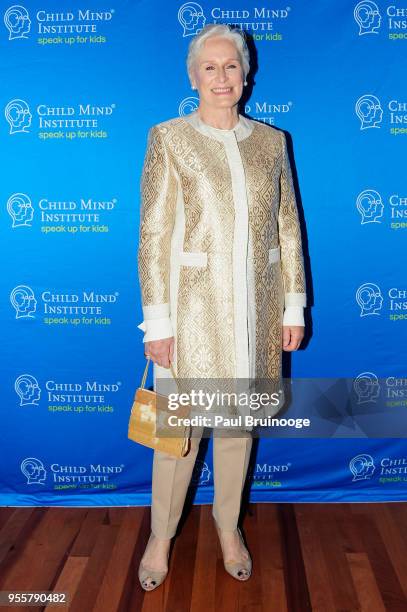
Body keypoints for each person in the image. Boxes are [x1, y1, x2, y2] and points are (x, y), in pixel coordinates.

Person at [136, 23, 307, 591]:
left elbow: (286, 228)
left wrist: (293, 308)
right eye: (209, 68)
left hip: (256, 315)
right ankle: (162, 536)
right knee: (178, 433)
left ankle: (228, 526)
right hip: (190, 316)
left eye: (230, 66)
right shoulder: (169, 138)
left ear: (247, 72)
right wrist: (157, 322)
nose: (221, 77)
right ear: (193, 76)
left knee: (237, 430)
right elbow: (154, 235)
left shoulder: (272, 142)